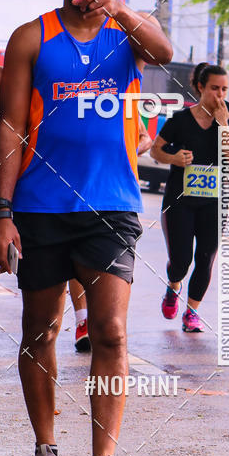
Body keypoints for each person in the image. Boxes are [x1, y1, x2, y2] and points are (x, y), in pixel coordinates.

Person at [0, 0, 172, 456]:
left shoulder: (128, 32)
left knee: (111, 332)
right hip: (40, 208)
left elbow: (166, 53)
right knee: (38, 332)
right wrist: (2, 210)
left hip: (112, 206)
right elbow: (11, 128)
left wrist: (119, 12)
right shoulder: (31, 38)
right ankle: (45, 453)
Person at [149, 64, 229, 332]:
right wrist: (173, 158)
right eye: (214, 88)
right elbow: (156, 150)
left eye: (224, 89)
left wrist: (222, 124)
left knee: (206, 256)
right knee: (181, 260)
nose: (219, 95)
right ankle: (173, 286)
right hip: (180, 201)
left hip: (213, 201)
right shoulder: (180, 120)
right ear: (200, 87)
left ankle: (192, 312)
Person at [69, 116, 152, 354]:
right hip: (70, 192)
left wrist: (125, 149)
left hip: (113, 197)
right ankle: (82, 321)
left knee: (109, 272)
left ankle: (100, 322)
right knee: (74, 263)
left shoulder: (119, 100)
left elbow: (145, 138)